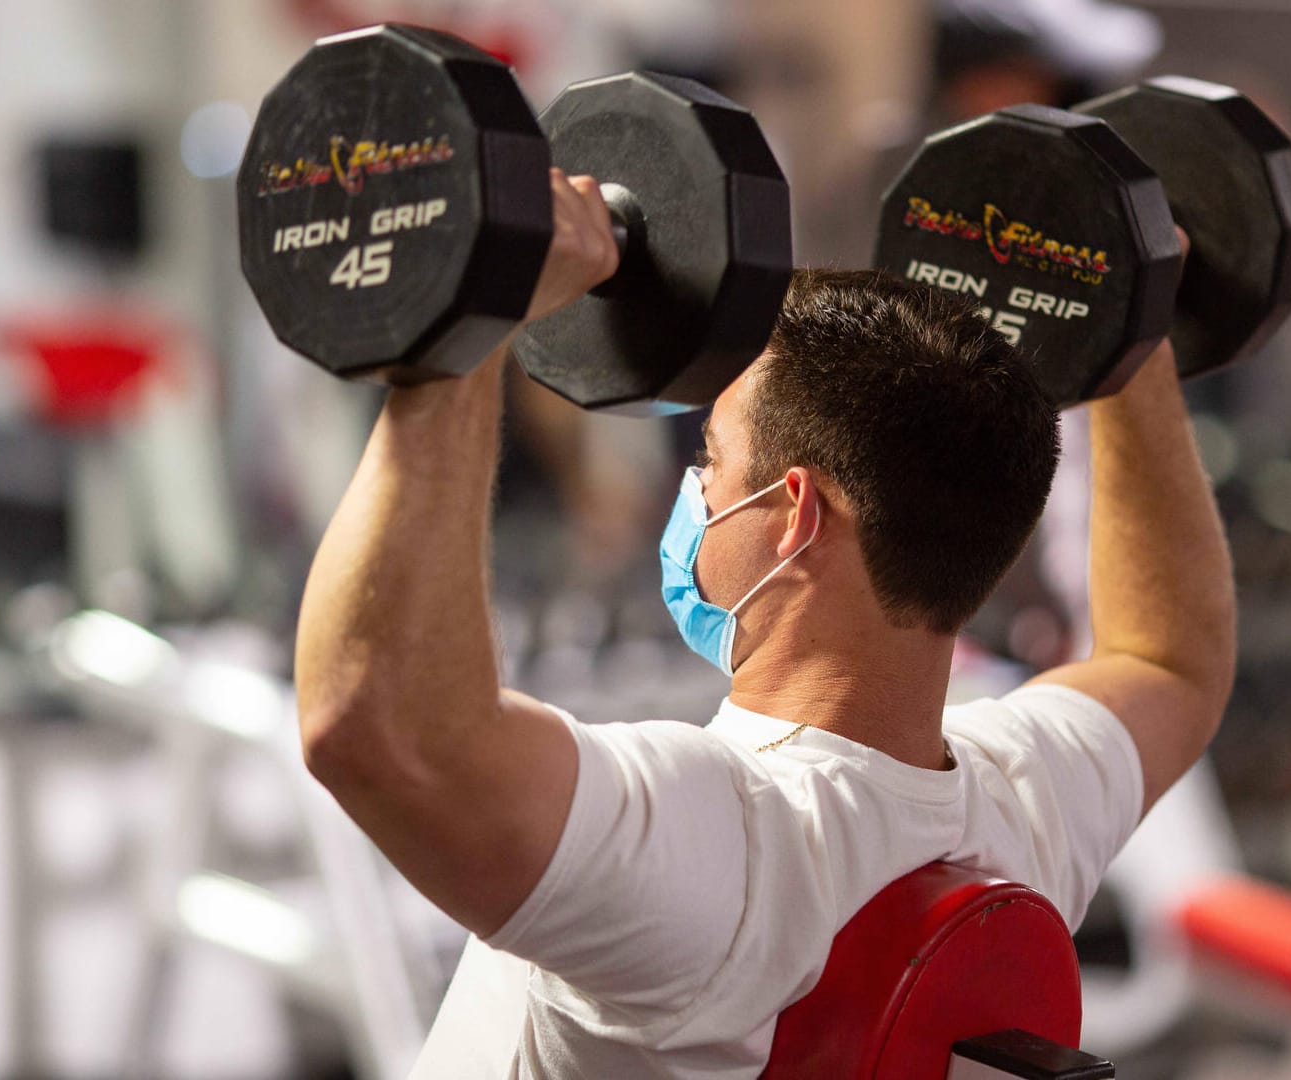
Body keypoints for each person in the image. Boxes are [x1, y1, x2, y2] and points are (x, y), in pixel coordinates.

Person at [293, 170, 1235, 1078]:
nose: (695, 491)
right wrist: (1134, 335)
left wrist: (471, 326)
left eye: (711, 457)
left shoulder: (718, 843)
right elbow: (1169, 657)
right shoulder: (1026, 810)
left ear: (795, 514)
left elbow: (374, 725)